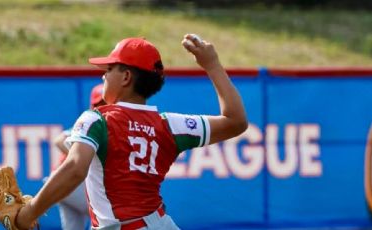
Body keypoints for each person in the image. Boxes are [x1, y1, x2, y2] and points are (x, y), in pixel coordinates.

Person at [16, 34, 248, 230]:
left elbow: (75, 169)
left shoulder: (97, 119)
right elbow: (236, 121)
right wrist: (213, 64)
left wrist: (28, 213)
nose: (103, 75)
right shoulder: (170, 125)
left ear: (126, 77)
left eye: (109, 69)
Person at [53, 83, 105, 230]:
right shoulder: (93, 123)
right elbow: (59, 140)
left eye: (105, 102)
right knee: (104, 214)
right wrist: (81, 157)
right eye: (98, 103)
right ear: (92, 105)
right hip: (69, 181)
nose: (101, 106)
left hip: (63, 184)